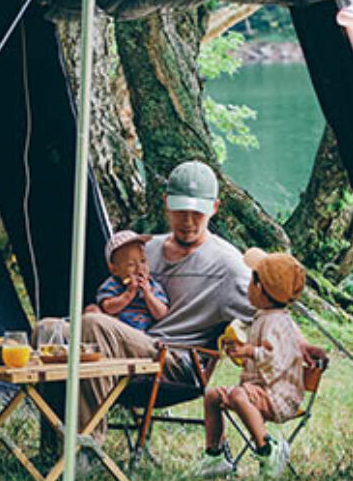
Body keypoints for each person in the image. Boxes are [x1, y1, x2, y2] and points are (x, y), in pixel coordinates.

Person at [33, 160, 253, 445]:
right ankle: (53, 447)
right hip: (129, 343)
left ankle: (86, 449)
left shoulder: (228, 265)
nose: (188, 221)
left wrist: (292, 346)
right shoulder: (145, 249)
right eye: (180, 210)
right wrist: (98, 309)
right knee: (49, 329)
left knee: (94, 326)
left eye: (197, 212)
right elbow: (114, 294)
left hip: (174, 361)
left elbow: (266, 313)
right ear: (166, 204)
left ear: (214, 208)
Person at [195, 247, 308, 479]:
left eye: (250, 282)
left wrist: (249, 351)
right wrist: (240, 353)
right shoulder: (261, 317)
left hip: (279, 395)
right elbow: (257, 360)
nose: (247, 287)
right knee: (213, 396)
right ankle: (214, 456)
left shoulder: (278, 322)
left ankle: (268, 449)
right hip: (258, 390)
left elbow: (277, 360)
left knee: (239, 395)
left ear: (261, 289)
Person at [91, 230, 169, 333]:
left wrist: (148, 294)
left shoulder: (151, 285)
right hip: (115, 327)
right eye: (131, 264)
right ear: (114, 270)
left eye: (143, 261)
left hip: (139, 332)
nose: (139, 269)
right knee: (92, 310)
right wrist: (128, 294)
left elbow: (161, 314)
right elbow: (108, 308)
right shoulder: (112, 284)